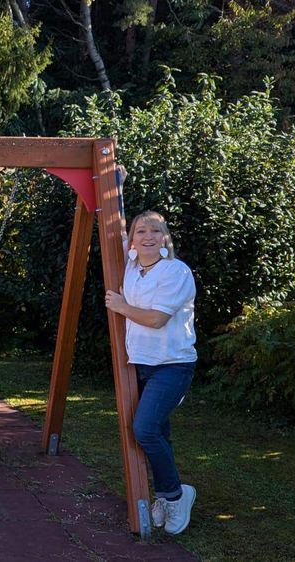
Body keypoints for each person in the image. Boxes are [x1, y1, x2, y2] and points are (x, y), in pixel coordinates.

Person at [104, 210, 197, 534]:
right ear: (132, 239)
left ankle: (175, 495)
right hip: (140, 364)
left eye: (154, 231)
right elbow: (113, 223)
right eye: (141, 231)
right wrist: (116, 182)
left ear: (164, 238)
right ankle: (165, 494)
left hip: (173, 364)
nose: (147, 237)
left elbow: (157, 319)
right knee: (159, 433)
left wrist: (121, 307)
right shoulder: (131, 267)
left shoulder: (176, 271)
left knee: (144, 429)